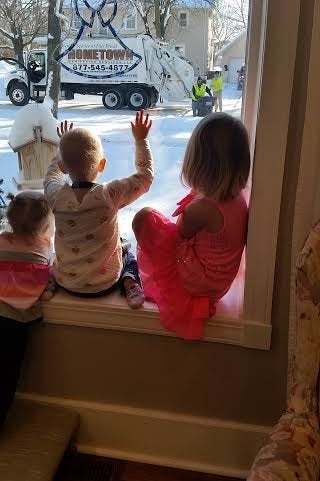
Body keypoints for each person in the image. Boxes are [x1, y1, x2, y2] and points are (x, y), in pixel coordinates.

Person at [133, 113, 250, 340]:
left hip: (200, 284)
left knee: (144, 218)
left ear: (197, 161)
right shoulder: (237, 198)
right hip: (219, 284)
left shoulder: (201, 208)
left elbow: (177, 238)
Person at [44, 111, 153, 309]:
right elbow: (145, 179)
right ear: (102, 165)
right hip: (105, 283)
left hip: (66, 282)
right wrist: (141, 140)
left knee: (54, 255)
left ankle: (51, 280)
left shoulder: (55, 196)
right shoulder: (110, 194)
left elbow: (51, 176)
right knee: (127, 251)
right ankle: (130, 283)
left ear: (63, 166)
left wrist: (61, 150)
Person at [0, 192, 53, 424]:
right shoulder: (44, 247)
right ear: (45, 223)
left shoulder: (1, 240)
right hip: (16, 322)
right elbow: (49, 280)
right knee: (7, 376)